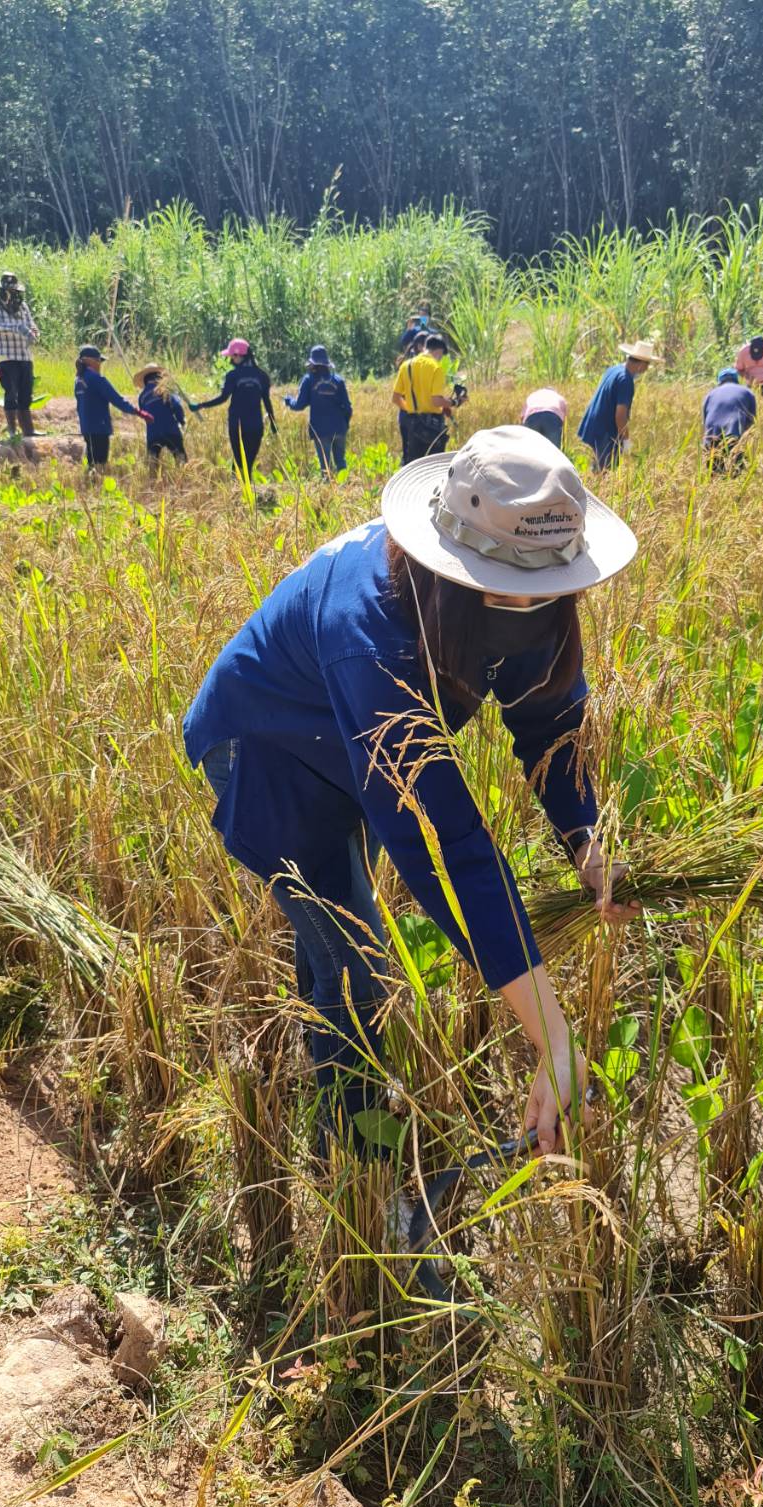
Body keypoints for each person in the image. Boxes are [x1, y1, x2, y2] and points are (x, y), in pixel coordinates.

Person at [183, 425, 640, 1173]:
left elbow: (548, 718)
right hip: (267, 750)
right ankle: (360, 1158)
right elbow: (446, 844)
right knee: (358, 957)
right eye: (513, 594)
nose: (532, 610)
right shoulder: (370, 633)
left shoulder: (521, 585)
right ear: (454, 563)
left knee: (339, 931)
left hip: (344, 745)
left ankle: (341, 1086)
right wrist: (553, 1036)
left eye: (546, 594)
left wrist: (587, 845)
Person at [190, 339, 277, 479]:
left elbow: (222, 398)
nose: (230, 359)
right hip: (255, 425)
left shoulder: (233, 376)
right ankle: (244, 492)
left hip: (237, 425)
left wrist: (200, 405)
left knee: (238, 461)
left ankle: (237, 490)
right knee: (248, 463)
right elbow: (267, 401)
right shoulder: (262, 376)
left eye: (232, 356)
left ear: (238, 355)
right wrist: (273, 424)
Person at [577, 340, 661, 469]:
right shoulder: (625, 380)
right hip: (605, 432)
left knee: (596, 471)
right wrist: (625, 439)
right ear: (641, 364)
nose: (646, 369)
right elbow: (620, 416)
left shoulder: (614, 370)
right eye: (647, 364)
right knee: (604, 474)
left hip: (592, 427)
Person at [73, 345, 151, 471]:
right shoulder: (97, 379)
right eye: (99, 361)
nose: (100, 365)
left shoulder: (78, 380)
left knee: (91, 463)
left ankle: (90, 485)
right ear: (90, 361)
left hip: (86, 427)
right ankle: (97, 487)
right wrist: (139, 412)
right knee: (100, 465)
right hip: (99, 428)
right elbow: (117, 400)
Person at [0, 272, 39, 437]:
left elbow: (31, 324)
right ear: (2, 289)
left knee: (25, 393)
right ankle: (12, 431)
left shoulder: (22, 305)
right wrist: (19, 328)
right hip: (6, 356)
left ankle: (28, 431)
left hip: (25, 355)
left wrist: (34, 333)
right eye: (9, 290)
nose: (12, 293)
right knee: (11, 393)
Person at [284, 345, 353, 474]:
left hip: (320, 431)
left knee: (326, 467)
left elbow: (299, 405)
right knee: (341, 463)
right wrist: (345, 425)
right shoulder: (338, 381)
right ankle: (346, 488)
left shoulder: (308, 380)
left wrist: (289, 401)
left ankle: (329, 491)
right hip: (339, 428)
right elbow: (348, 408)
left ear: (313, 364)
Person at [391, 332, 453, 462]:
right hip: (433, 427)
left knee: (414, 466)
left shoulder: (406, 365)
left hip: (413, 424)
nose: (441, 358)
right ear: (439, 351)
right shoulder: (436, 368)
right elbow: (436, 401)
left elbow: (395, 398)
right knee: (434, 467)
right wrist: (453, 402)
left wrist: (411, 410)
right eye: (441, 355)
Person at [701, 368, 757, 466]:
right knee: (736, 472)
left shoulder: (710, 395)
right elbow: (751, 421)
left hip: (711, 437)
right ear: (737, 380)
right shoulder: (747, 392)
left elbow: (705, 423)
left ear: (719, 382)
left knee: (713, 474)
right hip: (734, 435)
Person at [135, 363, 187, 465]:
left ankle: (152, 479)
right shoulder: (165, 390)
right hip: (171, 430)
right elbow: (176, 405)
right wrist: (182, 421)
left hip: (153, 433)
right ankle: (185, 479)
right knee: (181, 460)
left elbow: (143, 415)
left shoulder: (141, 397)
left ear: (145, 380)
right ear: (160, 377)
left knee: (152, 463)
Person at [395, 330, 427, 460]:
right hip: (418, 418)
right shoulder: (423, 367)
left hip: (405, 416)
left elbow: (397, 396)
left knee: (408, 454)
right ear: (420, 346)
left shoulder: (405, 365)